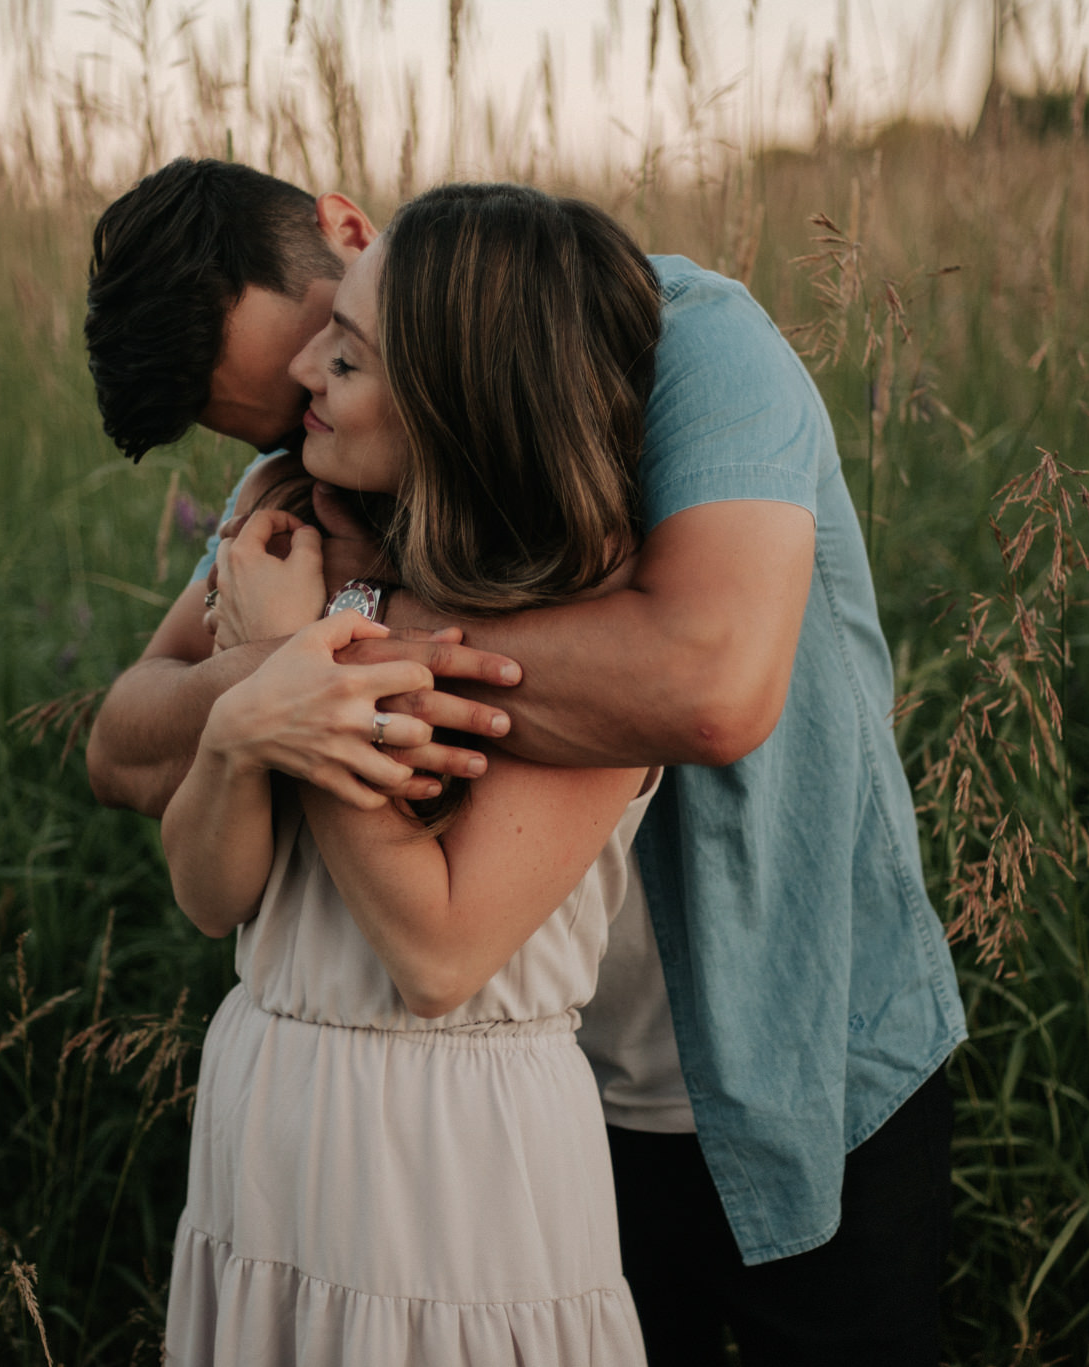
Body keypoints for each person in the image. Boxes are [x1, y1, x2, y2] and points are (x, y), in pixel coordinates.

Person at [84, 159, 967, 1364]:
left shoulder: (692, 347)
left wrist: (333, 634)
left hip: (798, 1044)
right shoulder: (320, 461)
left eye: (333, 354)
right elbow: (130, 740)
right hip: (527, 1107)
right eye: (270, 413)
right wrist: (264, 682)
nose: (305, 396)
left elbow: (704, 689)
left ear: (353, 239)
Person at [159, 182, 661, 1363]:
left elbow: (436, 954)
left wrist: (299, 660)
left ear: (461, 399)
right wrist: (240, 723)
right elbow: (207, 894)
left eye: (351, 355)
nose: (301, 375)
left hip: (448, 1169)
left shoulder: (582, 628)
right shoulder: (295, 533)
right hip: (265, 1119)